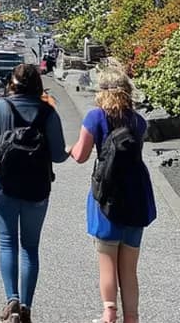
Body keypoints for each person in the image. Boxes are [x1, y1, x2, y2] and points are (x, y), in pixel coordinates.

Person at [66, 68, 157, 323]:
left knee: (107, 260)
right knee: (129, 269)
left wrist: (69, 148)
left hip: (107, 196)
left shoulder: (96, 117)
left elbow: (81, 155)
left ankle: (109, 313)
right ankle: (132, 317)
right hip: (137, 196)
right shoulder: (137, 121)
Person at [0, 63, 68, 323]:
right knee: (30, 247)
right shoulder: (48, 113)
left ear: (12, 84)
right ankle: (26, 307)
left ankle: (12, 300)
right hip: (37, 187)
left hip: (4, 186)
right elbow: (58, 155)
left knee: (7, 242)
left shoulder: (0, 108)